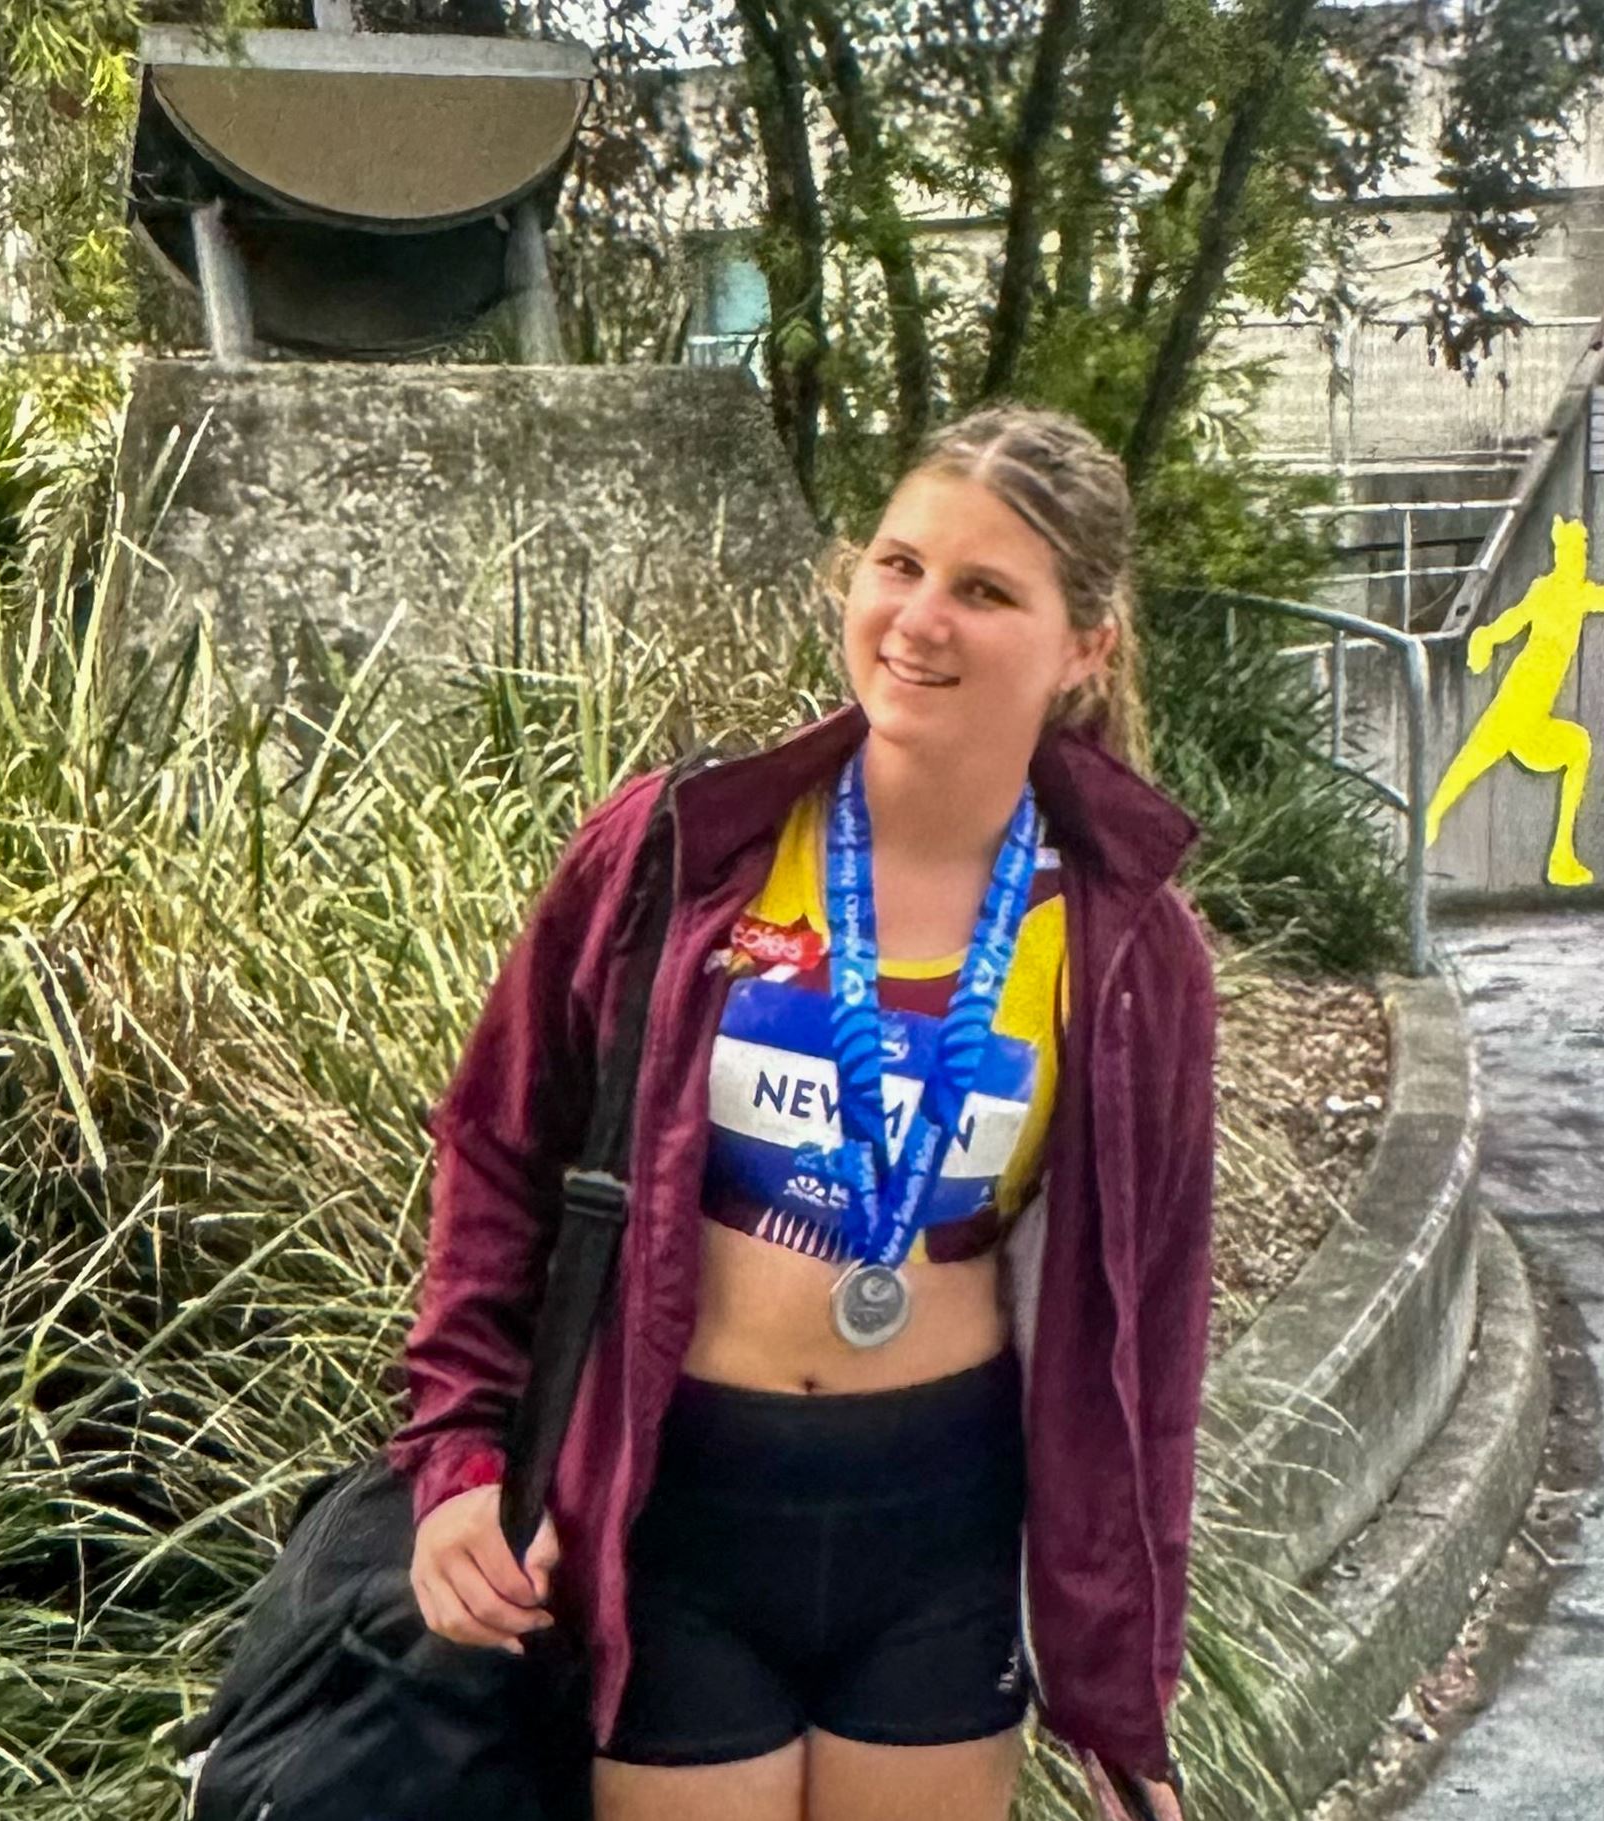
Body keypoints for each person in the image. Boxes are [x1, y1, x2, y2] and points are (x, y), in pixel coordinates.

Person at [386, 403, 1221, 1821]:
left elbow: (1151, 1321)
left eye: (985, 590)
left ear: (1085, 645)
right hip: (678, 1521)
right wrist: (459, 1461)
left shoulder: (1127, 946)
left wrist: (1121, 1683)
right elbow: (501, 1154)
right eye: (899, 564)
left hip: (942, 1529)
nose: (919, 619)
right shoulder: (683, 850)